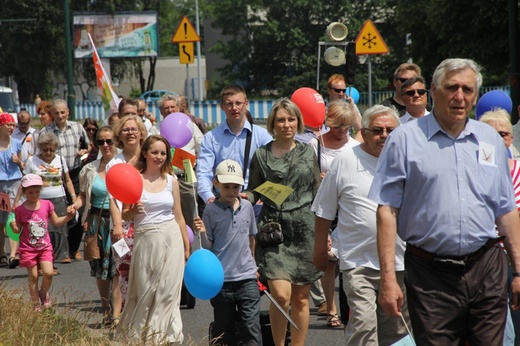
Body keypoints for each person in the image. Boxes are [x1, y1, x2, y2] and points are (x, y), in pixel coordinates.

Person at [369, 58, 520, 345]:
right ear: (434, 90)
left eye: (467, 89)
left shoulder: (489, 139)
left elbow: (506, 209)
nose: (460, 96)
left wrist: (519, 271)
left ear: (475, 96)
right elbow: (386, 211)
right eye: (452, 87)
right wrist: (389, 279)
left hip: (487, 266)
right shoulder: (404, 140)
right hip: (430, 275)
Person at [312, 104, 410, 344]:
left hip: (400, 264)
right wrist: (319, 252)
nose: (384, 135)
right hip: (359, 263)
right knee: (364, 328)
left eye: (390, 130)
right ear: (364, 133)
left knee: (397, 334)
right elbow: (324, 211)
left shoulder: (408, 162)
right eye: (377, 130)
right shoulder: (345, 160)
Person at [245, 97, 322, 346]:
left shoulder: (308, 151)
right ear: (272, 123)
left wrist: (325, 229)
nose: (286, 124)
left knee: (301, 298)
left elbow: (317, 190)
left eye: (291, 119)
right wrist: (235, 195)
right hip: (273, 231)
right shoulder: (261, 154)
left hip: (304, 229)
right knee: (280, 295)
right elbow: (253, 190)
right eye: (281, 120)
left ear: (298, 122)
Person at [117, 135, 189, 344]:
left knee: (168, 291)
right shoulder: (135, 179)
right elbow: (124, 215)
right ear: (146, 153)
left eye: (163, 153)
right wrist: (134, 211)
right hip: (146, 239)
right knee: (145, 292)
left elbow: (179, 215)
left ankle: (163, 338)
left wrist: (186, 244)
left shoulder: (171, 181)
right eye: (155, 152)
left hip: (171, 237)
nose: (159, 157)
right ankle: (138, 336)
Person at [194, 159, 261, 345]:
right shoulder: (211, 210)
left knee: (251, 327)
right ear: (215, 183)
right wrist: (202, 233)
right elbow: (208, 247)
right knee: (224, 330)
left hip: (247, 277)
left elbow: (251, 238)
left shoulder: (247, 207)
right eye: (226, 186)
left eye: (236, 187)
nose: (231, 191)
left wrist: (253, 265)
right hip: (221, 280)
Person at [309, 100, 360, 328]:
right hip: (324, 208)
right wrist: (319, 176)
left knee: (347, 260)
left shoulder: (354, 147)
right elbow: (306, 176)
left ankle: (351, 307)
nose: (342, 129)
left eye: (346, 125)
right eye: (338, 124)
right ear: (330, 121)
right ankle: (330, 309)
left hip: (347, 209)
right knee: (329, 261)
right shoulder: (315, 143)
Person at [71, 126, 120, 327]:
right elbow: (83, 197)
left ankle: (118, 313)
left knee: (118, 268)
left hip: (119, 223)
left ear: (116, 141)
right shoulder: (89, 169)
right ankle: (107, 309)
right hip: (97, 224)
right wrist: (75, 204)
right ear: (96, 144)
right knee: (101, 269)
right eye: (101, 142)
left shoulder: (126, 166)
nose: (106, 145)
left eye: (109, 141)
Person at [480, 109, 520, 345]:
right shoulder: (473, 172)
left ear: (510, 138)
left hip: (516, 259)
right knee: (501, 331)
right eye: (491, 133)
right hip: (486, 260)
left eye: (503, 134)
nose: (498, 139)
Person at [197, 85, 272, 206]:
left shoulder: (262, 136)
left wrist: (263, 196)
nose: (234, 108)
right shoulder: (211, 138)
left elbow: (272, 171)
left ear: (246, 104)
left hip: (254, 202)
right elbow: (204, 173)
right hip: (222, 201)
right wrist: (209, 197)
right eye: (229, 104)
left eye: (238, 103)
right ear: (222, 106)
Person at [13, 174, 75, 312]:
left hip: (45, 247)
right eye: (30, 192)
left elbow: (56, 221)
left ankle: (43, 292)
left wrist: (68, 217)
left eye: (37, 191)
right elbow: (17, 230)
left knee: (48, 273)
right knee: (33, 276)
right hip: (28, 248)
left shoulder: (47, 205)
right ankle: (36, 304)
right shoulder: (21, 210)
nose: (34, 195)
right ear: (24, 192)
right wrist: (12, 227)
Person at [14, 133, 77, 265]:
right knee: (42, 229)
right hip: (38, 200)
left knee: (60, 227)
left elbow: (67, 180)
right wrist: (16, 201)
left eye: (51, 149)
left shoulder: (60, 159)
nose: (48, 152)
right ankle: (45, 258)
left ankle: (60, 255)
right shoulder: (32, 161)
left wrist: (73, 196)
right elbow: (23, 182)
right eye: (45, 149)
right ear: (40, 148)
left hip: (58, 196)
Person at [38, 99, 89, 262]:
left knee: (77, 211)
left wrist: (83, 152)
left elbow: (88, 146)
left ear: (68, 112)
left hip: (74, 173)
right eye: (56, 113)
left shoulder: (77, 127)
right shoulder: (46, 130)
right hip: (54, 176)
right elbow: (38, 153)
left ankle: (74, 248)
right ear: (52, 114)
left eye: (62, 112)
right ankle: (59, 250)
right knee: (57, 213)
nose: (60, 115)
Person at [107, 114, 147, 321]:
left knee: (147, 270)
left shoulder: (150, 157)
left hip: (148, 221)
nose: (130, 133)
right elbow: (113, 199)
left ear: (141, 133)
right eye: (125, 130)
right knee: (123, 271)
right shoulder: (114, 163)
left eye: (134, 129)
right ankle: (125, 316)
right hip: (122, 224)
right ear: (119, 135)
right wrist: (117, 227)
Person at [151, 93, 203, 236]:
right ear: (161, 111)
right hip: (163, 178)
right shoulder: (155, 129)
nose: (170, 110)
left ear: (179, 108)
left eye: (173, 107)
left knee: (191, 216)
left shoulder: (189, 125)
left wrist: (195, 159)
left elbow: (203, 147)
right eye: (166, 108)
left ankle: (192, 249)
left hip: (186, 176)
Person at [0, 113, 23, 268]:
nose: (12, 128)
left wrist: (19, 161)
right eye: (8, 125)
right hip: (1, 185)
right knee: (1, 220)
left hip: (15, 182)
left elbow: (23, 166)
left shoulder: (16, 143)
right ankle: (2, 252)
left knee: (13, 218)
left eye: (13, 125)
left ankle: (13, 254)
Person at [326, 74, 362, 141]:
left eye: (344, 90)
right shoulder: (323, 106)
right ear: (328, 90)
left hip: (345, 144)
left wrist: (352, 108)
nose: (341, 94)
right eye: (337, 90)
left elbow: (360, 129)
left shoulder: (350, 105)